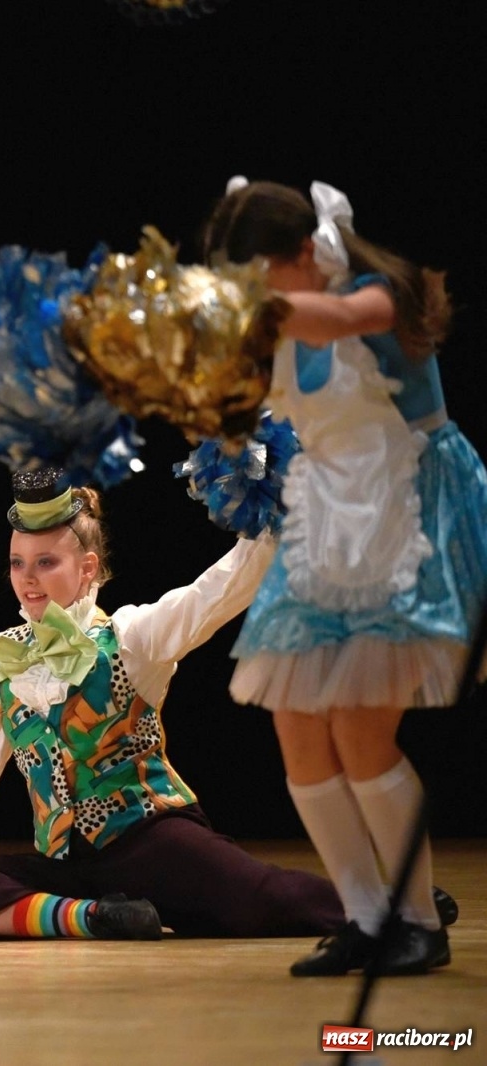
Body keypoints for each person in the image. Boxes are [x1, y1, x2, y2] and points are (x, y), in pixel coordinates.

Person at [0, 468, 353, 943]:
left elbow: (216, 593)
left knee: (264, 899)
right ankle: (92, 919)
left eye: (46, 562)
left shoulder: (130, 636)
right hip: (68, 868)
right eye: (17, 563)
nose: (28, 579)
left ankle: (386, 908)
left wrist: (275, 515)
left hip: (153, 844)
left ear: (86, 567)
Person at [201, 178, 487, 976]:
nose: (249, 295)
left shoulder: (373, 295)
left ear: (302, 252)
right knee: (296, 725)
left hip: (410, 520)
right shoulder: (279, 320)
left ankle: (420, 923)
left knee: (363, 730)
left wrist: (226, 310)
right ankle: (366, 918)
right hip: (326, 523)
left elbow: (335, 319)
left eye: (258, 274)